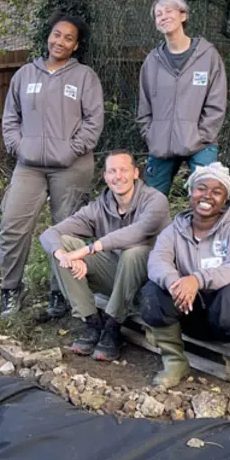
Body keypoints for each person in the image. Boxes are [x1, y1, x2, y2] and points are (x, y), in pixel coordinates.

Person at [140, 162, 230, 400]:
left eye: (216, 192)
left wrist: (197, 279)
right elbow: (157, 261)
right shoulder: (174, 230)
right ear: (190, 193)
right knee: (153, 293)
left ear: (225, 198)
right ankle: (175, 362)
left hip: (229, 319)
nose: (207, 196)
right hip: (191, 316)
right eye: (201, 189)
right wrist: (176, 282)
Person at [0, 13, 105, 319]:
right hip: (29, 165)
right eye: (56, 34)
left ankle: (60, 292)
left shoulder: (85, 77)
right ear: (49, 36)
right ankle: (10, 289)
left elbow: (93, 121)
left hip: (71, 166)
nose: (60, 41)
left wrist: (71, 150)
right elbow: (10, 118)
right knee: (12, 223)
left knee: (66, 230)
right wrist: (19, 147)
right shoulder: (24, 75)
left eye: (68, 38)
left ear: (76, 46)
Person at [39, 149, 170, 360]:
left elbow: (137, 233)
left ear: (136, 173)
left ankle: (113, 325)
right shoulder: (99, 208)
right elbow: (49, 234)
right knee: (62, 244)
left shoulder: (155, 201)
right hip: (116, 276)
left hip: (150, 284)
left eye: (124, 170)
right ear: (105, 177)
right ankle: (92, 322)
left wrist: (90, 248)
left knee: (133, 253)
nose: (118, 176)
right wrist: (66, 255)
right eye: (112, 171)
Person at [136, 0, 228, 196]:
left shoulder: (207, 56)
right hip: (161, 144)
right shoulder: (152, 61)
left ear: (183, 15)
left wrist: (202, 136)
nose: (163, 17)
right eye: (158, 14)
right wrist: (151, 134)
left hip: (200, 144)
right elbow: (144, 105)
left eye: (169, 11)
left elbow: (216, 101)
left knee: (208, 198)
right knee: (149, 204)